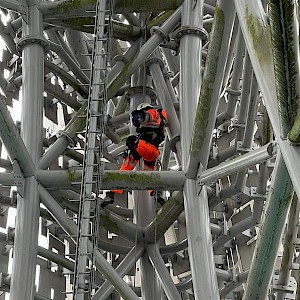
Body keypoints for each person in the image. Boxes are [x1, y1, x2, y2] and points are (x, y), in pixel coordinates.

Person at [101, 102, 167, 207]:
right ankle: (156, 194)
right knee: (148, 174)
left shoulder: (152, 112)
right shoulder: (161, 118)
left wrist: (132, 145)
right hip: (154, 152)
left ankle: (112, 193)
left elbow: (147, 116)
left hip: (143, 146)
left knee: (126, 166)